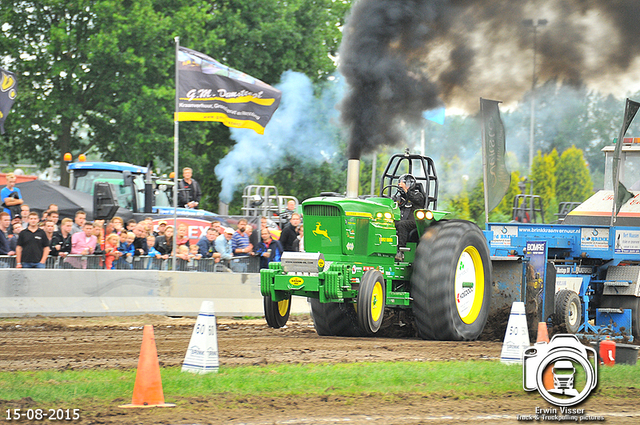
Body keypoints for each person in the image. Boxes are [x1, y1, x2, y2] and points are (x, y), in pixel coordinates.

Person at [393, 174, 425, 261]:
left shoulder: (418, 195)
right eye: (401, 183)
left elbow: (417, 199)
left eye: (406, 184)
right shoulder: (399, 197)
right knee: (390, 223)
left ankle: (400, 252)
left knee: (402, 225)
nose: (403, 185)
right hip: (401, 220)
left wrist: (406, 191)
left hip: (415, 222)